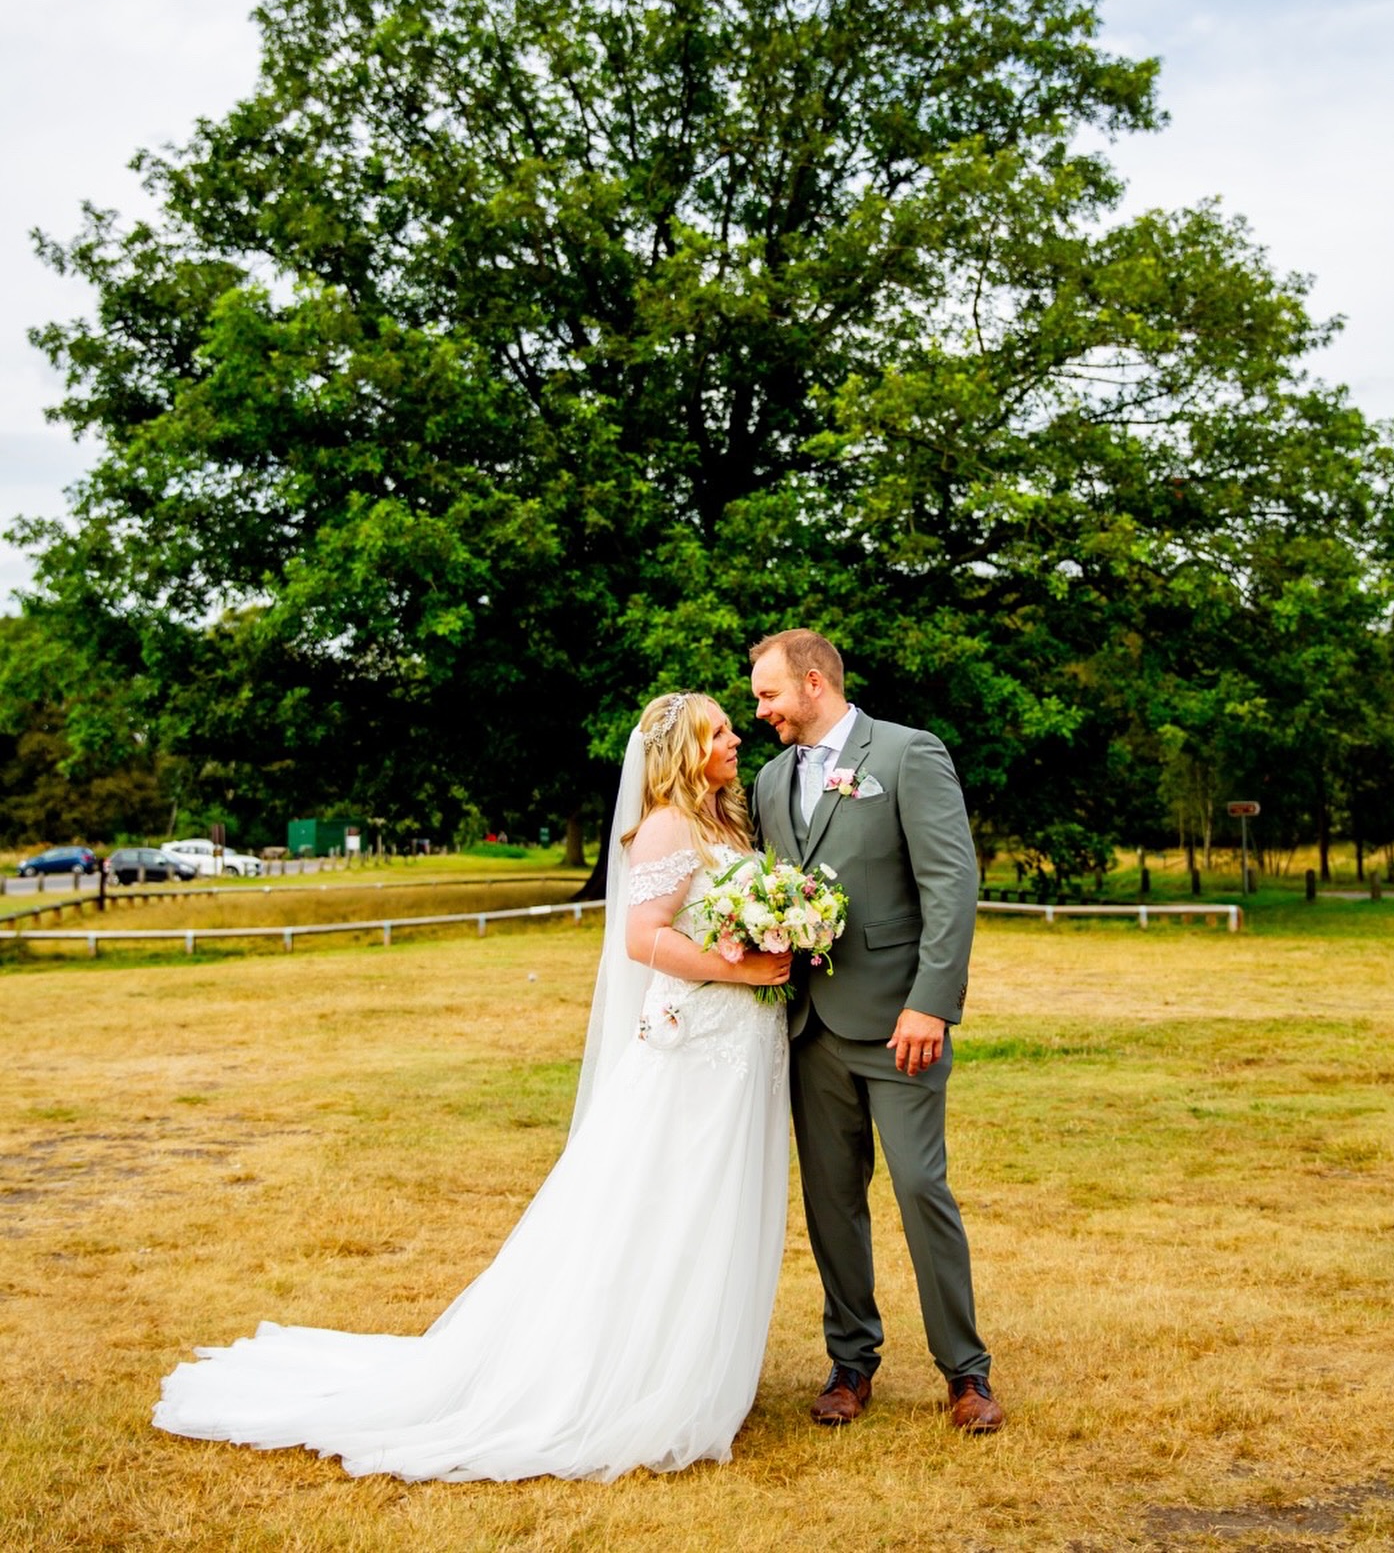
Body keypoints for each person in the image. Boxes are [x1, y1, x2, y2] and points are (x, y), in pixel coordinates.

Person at [153, 693, 793, 1482]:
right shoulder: (665, 825)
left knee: (717, 1202)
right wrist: (742, 966)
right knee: (673, 1202)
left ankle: (695, 1364)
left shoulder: (725, 824)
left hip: (735, 1049)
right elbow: (640, 938)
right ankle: (635, 1376)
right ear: (686, 750)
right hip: (695, 1049)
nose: (736, 738)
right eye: (721, 730)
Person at [748, 629, 1004, 1433]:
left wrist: (931, 1001)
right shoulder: (765, 782)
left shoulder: (906, 755)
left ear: (815, 683)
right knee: (831, 1203)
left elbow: (950, 882)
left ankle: (966, 1373)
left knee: (922, 1189)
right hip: (809, 1027)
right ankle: (850, 1363)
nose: (761, 712)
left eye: (769, 696)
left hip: (901, 1024)